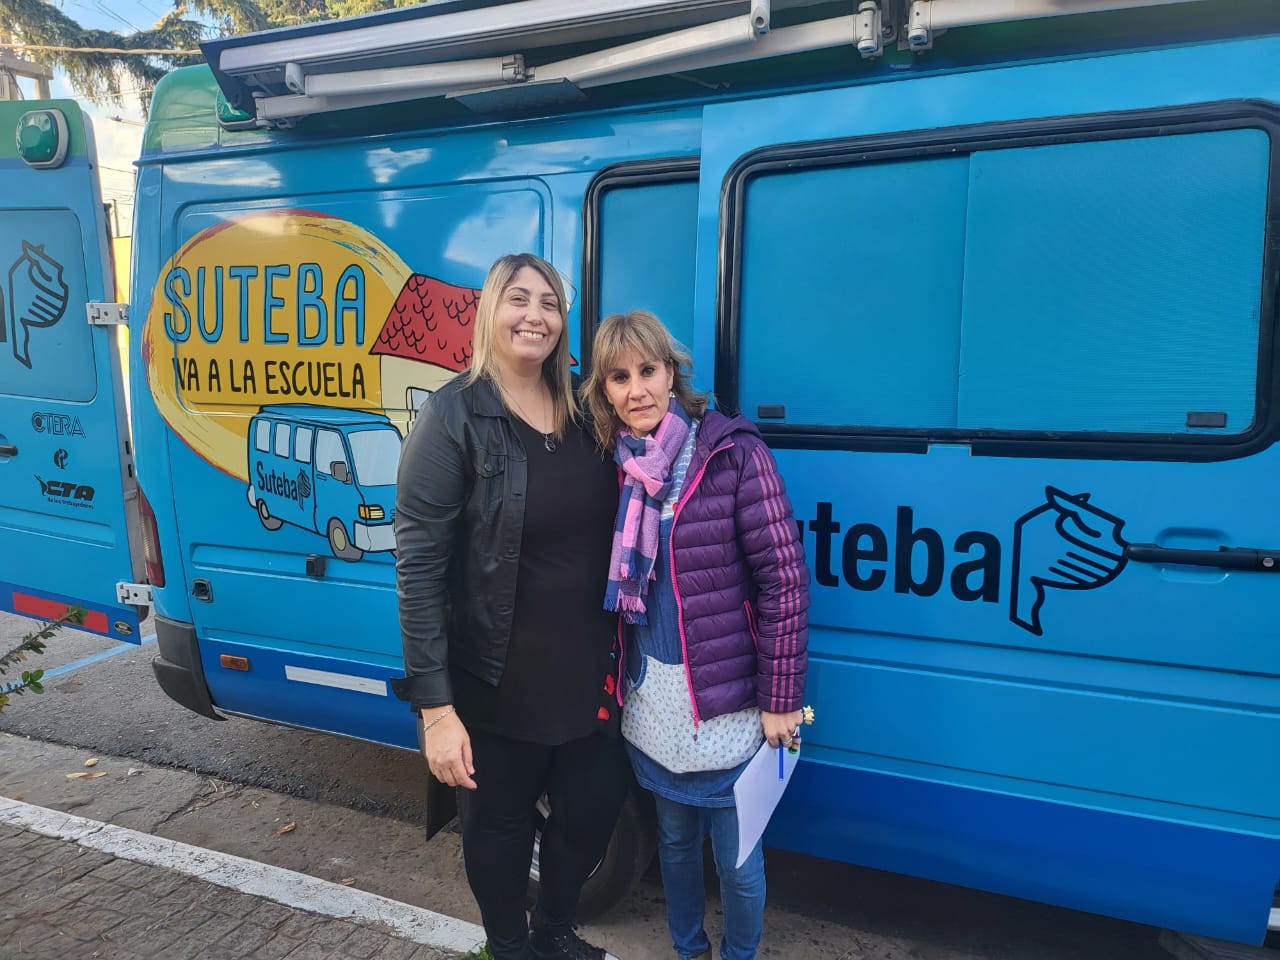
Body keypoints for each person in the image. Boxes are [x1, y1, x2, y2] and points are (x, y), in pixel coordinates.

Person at [392, 253, 629, 960]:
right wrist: (436, 710)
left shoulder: (589, 412)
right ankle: (510, 946)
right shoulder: (452, 415)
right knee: (498, 828)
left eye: (550, 303)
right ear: (490, 311)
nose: (535, 316)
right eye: (519, 299)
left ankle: (555, 929)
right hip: (496, 679)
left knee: (589, 813)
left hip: (591, 671)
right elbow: (419, 568)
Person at [583, 310, 810, 960]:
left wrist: (781, 699)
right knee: (676, 845)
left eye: (647, 370)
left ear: (672, 374)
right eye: (618, 378)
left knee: (738, 862)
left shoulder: (732, 454)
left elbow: (784, 582)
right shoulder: (614, 467)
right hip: (653, 701)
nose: (637, 390)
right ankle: (690, 951)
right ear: (604, 392)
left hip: (728, 703)